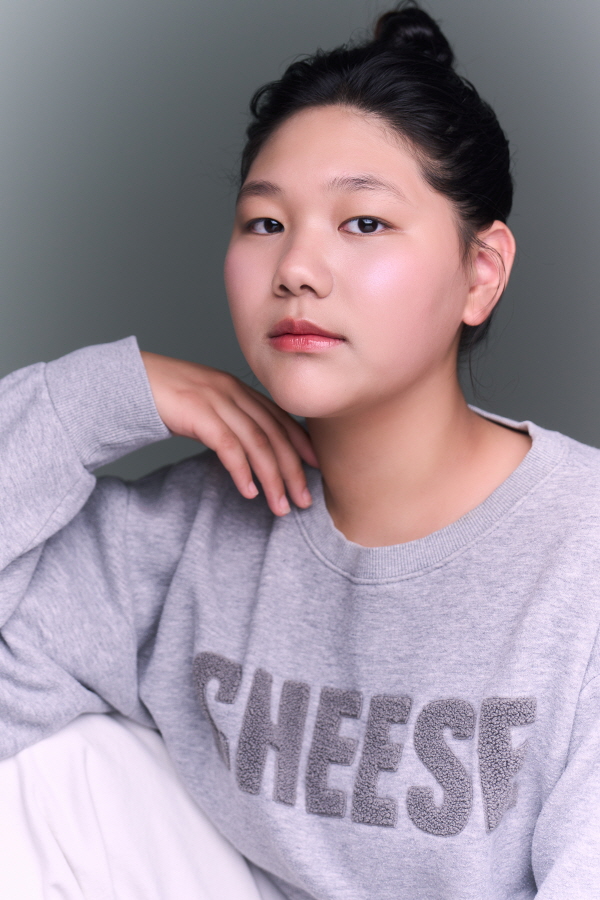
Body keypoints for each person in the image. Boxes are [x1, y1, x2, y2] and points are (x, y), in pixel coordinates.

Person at [0, 3, 598, 898]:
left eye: (364, 223)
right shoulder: (184, 535)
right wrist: (88, 400)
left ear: (481, 273)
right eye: (265, 224)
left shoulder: (582, 553)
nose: (296, 270)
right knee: (45, 772)